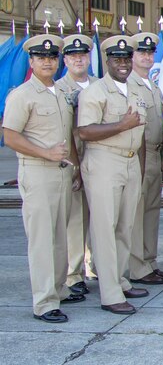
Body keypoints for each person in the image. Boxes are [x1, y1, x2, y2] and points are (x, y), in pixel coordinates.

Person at [4, 34, 83, 322]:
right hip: (38, 172)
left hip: (62, 172)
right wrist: (45, 153)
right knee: (41, 239)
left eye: (51, 57)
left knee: (60, 235)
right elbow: (10, 136)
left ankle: (59, 288)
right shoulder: (22, 95)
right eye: (41, 58)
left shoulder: (60, 92)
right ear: (31, 61)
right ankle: (45, 302)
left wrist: (75, 167)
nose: (47, 62)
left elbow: (67, 135)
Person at [77, 35, 148, 315]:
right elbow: (85, 131)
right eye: (117, 59)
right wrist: (121, 125)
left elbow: (140, 133)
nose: (122, 63)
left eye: (126, 58)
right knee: (104, 228)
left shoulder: (136, 91)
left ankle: (119, 280)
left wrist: (140, 166)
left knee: (125, 226)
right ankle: (109, 294)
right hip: (104, 161)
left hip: (130, 161)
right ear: (107, 61)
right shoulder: (95, 92)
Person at [55, 33, 97, 294]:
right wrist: (74, 165)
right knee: (76, 219)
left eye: (82, 55)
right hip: (75, 158)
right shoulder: (58, 89)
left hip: (100, 158)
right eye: (72, 56)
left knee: (101, 217)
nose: (78, 60)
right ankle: (74, 274)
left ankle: (95, 265)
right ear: (66, 60)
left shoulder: (99, 85)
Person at [128, 32, 163, 286]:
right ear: (131, 56)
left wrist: (162, 156)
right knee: (136, 212)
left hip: (155, 152)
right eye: (141, 52)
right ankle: (137, 267)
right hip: (137, 155)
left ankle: (149, 261)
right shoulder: (129, 85)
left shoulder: (152, 86)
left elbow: (158, 124)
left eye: (150, 52)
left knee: (152, 211)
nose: (146, 56)